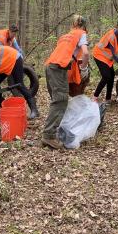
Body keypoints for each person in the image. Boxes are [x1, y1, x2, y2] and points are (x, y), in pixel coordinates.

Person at [41, 15, 89, 149]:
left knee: (57, 101)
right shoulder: (82, 34)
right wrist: (84, 69)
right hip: (57, 68)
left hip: (50, 66)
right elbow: (85, 53)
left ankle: (53, 129)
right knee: (60, 100)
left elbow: (66, 55)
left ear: (73, 25)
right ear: (84, 26)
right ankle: (48, 136)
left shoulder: (66, 36)